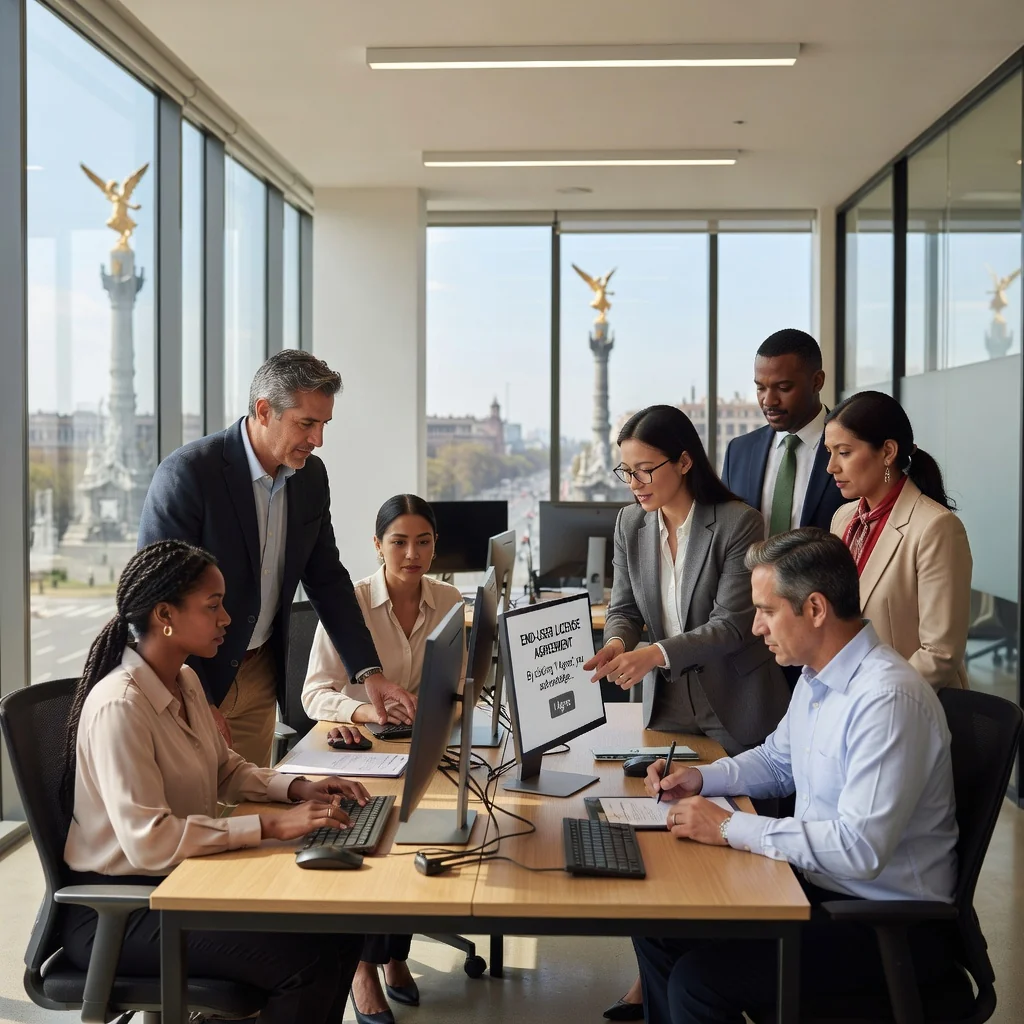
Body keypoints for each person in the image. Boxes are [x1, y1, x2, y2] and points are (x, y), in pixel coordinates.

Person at [636, 528, 959, 1024]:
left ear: (814, 609)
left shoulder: (886, 699)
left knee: (699, 982)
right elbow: (776, 761)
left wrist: (727, 827)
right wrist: (703, 779)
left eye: (766, 611)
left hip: (886, 924)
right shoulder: (817, 675)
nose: (757, 627)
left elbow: (860, 848)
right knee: (658, 925)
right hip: (817, 888)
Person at [61, 540, 369, 1024]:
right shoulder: (122, 705)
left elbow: (224, 768)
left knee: (343, 930)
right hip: (123, 909)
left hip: (182, 883)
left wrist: (296, 787)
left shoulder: (183, 679)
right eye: (213, 606)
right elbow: (150, 842)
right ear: (165, 614)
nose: (228, 618)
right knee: (307, 961)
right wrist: (269, 829)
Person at [583, 404, 790, 1021]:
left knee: (726, 859)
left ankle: (706, 983)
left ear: (683, 461)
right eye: (626, 471)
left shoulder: (736, 522)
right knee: (666, 848)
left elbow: (731, 626)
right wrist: (620, 642)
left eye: (647, 469)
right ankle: (661, 985)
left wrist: (654, 652)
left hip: (735, 703)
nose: (637, 483)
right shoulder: (630, 524)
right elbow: (622, 605)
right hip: (669, 705)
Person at [138, 349, 416, 767]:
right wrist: (188, 694)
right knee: (196, 811)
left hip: (260, 672)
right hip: (191, 674)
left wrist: (369, 674)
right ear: (265, 411)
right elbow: (154, 603)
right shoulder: (189, 475)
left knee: (246, 802)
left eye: (323, 424)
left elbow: (327, 580)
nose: (318, 439)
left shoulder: (310, 478)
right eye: (306, 423)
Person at [302, 494, 466, 1024]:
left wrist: (451, 704)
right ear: (377, 546)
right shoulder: (348, 603)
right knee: (382, 836)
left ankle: (396, 955)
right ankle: (363, 969)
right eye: (398, 542)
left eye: (423, 542)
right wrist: (363, 711)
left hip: (418, 745)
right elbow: (312, 694)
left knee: (420, 827)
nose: (411, 554)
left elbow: (461, 679)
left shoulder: (449, 600)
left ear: (435, 546)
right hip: (361, 749)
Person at [825, 390, 972, 689]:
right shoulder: (843, 518)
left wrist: (870, 698)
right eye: (829, 452)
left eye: (844, 452)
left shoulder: (936, 528)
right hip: (844, 696)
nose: (831, 467)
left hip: (906, 705)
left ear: (888, 452)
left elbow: (940, 654)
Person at [720, 328, 846, 535]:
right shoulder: (739, 451)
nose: (769, 401)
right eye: (760, 388)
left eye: (784, 388)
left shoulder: (853, 448)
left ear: (817, 382)